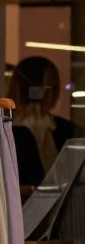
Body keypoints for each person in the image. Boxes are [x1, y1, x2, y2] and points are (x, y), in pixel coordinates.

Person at [10, 55, 82, 186]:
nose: (53, 93)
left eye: (54, 86)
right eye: (49, 86)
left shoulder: (66, 130)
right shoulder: (10, 130)